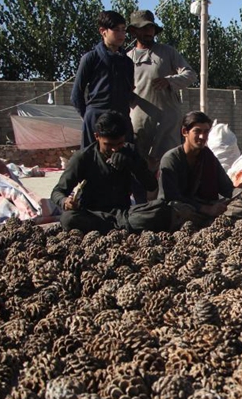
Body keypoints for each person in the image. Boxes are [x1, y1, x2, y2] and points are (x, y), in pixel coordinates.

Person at [51, 111, 169, 234]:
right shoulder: (83, 157)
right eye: (109, 145)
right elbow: (57, 191)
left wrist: (132, 165)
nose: (114, 149)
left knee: (161, 210)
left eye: (119, 144)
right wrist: (65, 201)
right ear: (97, 136)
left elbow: (151, 185)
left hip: (123, 214)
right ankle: (121, 228)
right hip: (93, 214)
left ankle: (117, 227)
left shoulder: (130, 151)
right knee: (68, 219)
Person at [127, 10, 197, 194]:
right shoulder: (127, 58)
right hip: (140, 120)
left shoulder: (167, 52)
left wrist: (169, 81)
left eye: (151, 28)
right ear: (134, 31)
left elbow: (190, 75)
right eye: (144, 29)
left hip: (167, 119)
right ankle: (143, 203)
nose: (149, 32)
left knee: (168, 162)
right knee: (140, 164)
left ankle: (170, 201)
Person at [159, 111, 242, 230]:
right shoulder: (171, 158)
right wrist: (205, 209)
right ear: (185, 132)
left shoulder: (208, 156)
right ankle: (208, 224)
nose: (202, 137)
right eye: (197, 131)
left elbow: (227, 188)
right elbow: (172, 197)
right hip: (185, 209)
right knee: (177, 209)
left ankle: (209, 224)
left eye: (206, 132)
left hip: (208, 208)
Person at [71, 11, 135, 149]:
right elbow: (76, 95)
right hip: (96, 118)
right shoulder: (91, 58)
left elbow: (129, 91)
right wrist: (90, 117)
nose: (121, 34)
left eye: (123, 30)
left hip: (122, 118)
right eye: (116, 30)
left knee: (126, 161)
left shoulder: (127, 62)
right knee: (91, 162)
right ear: (103, 31)